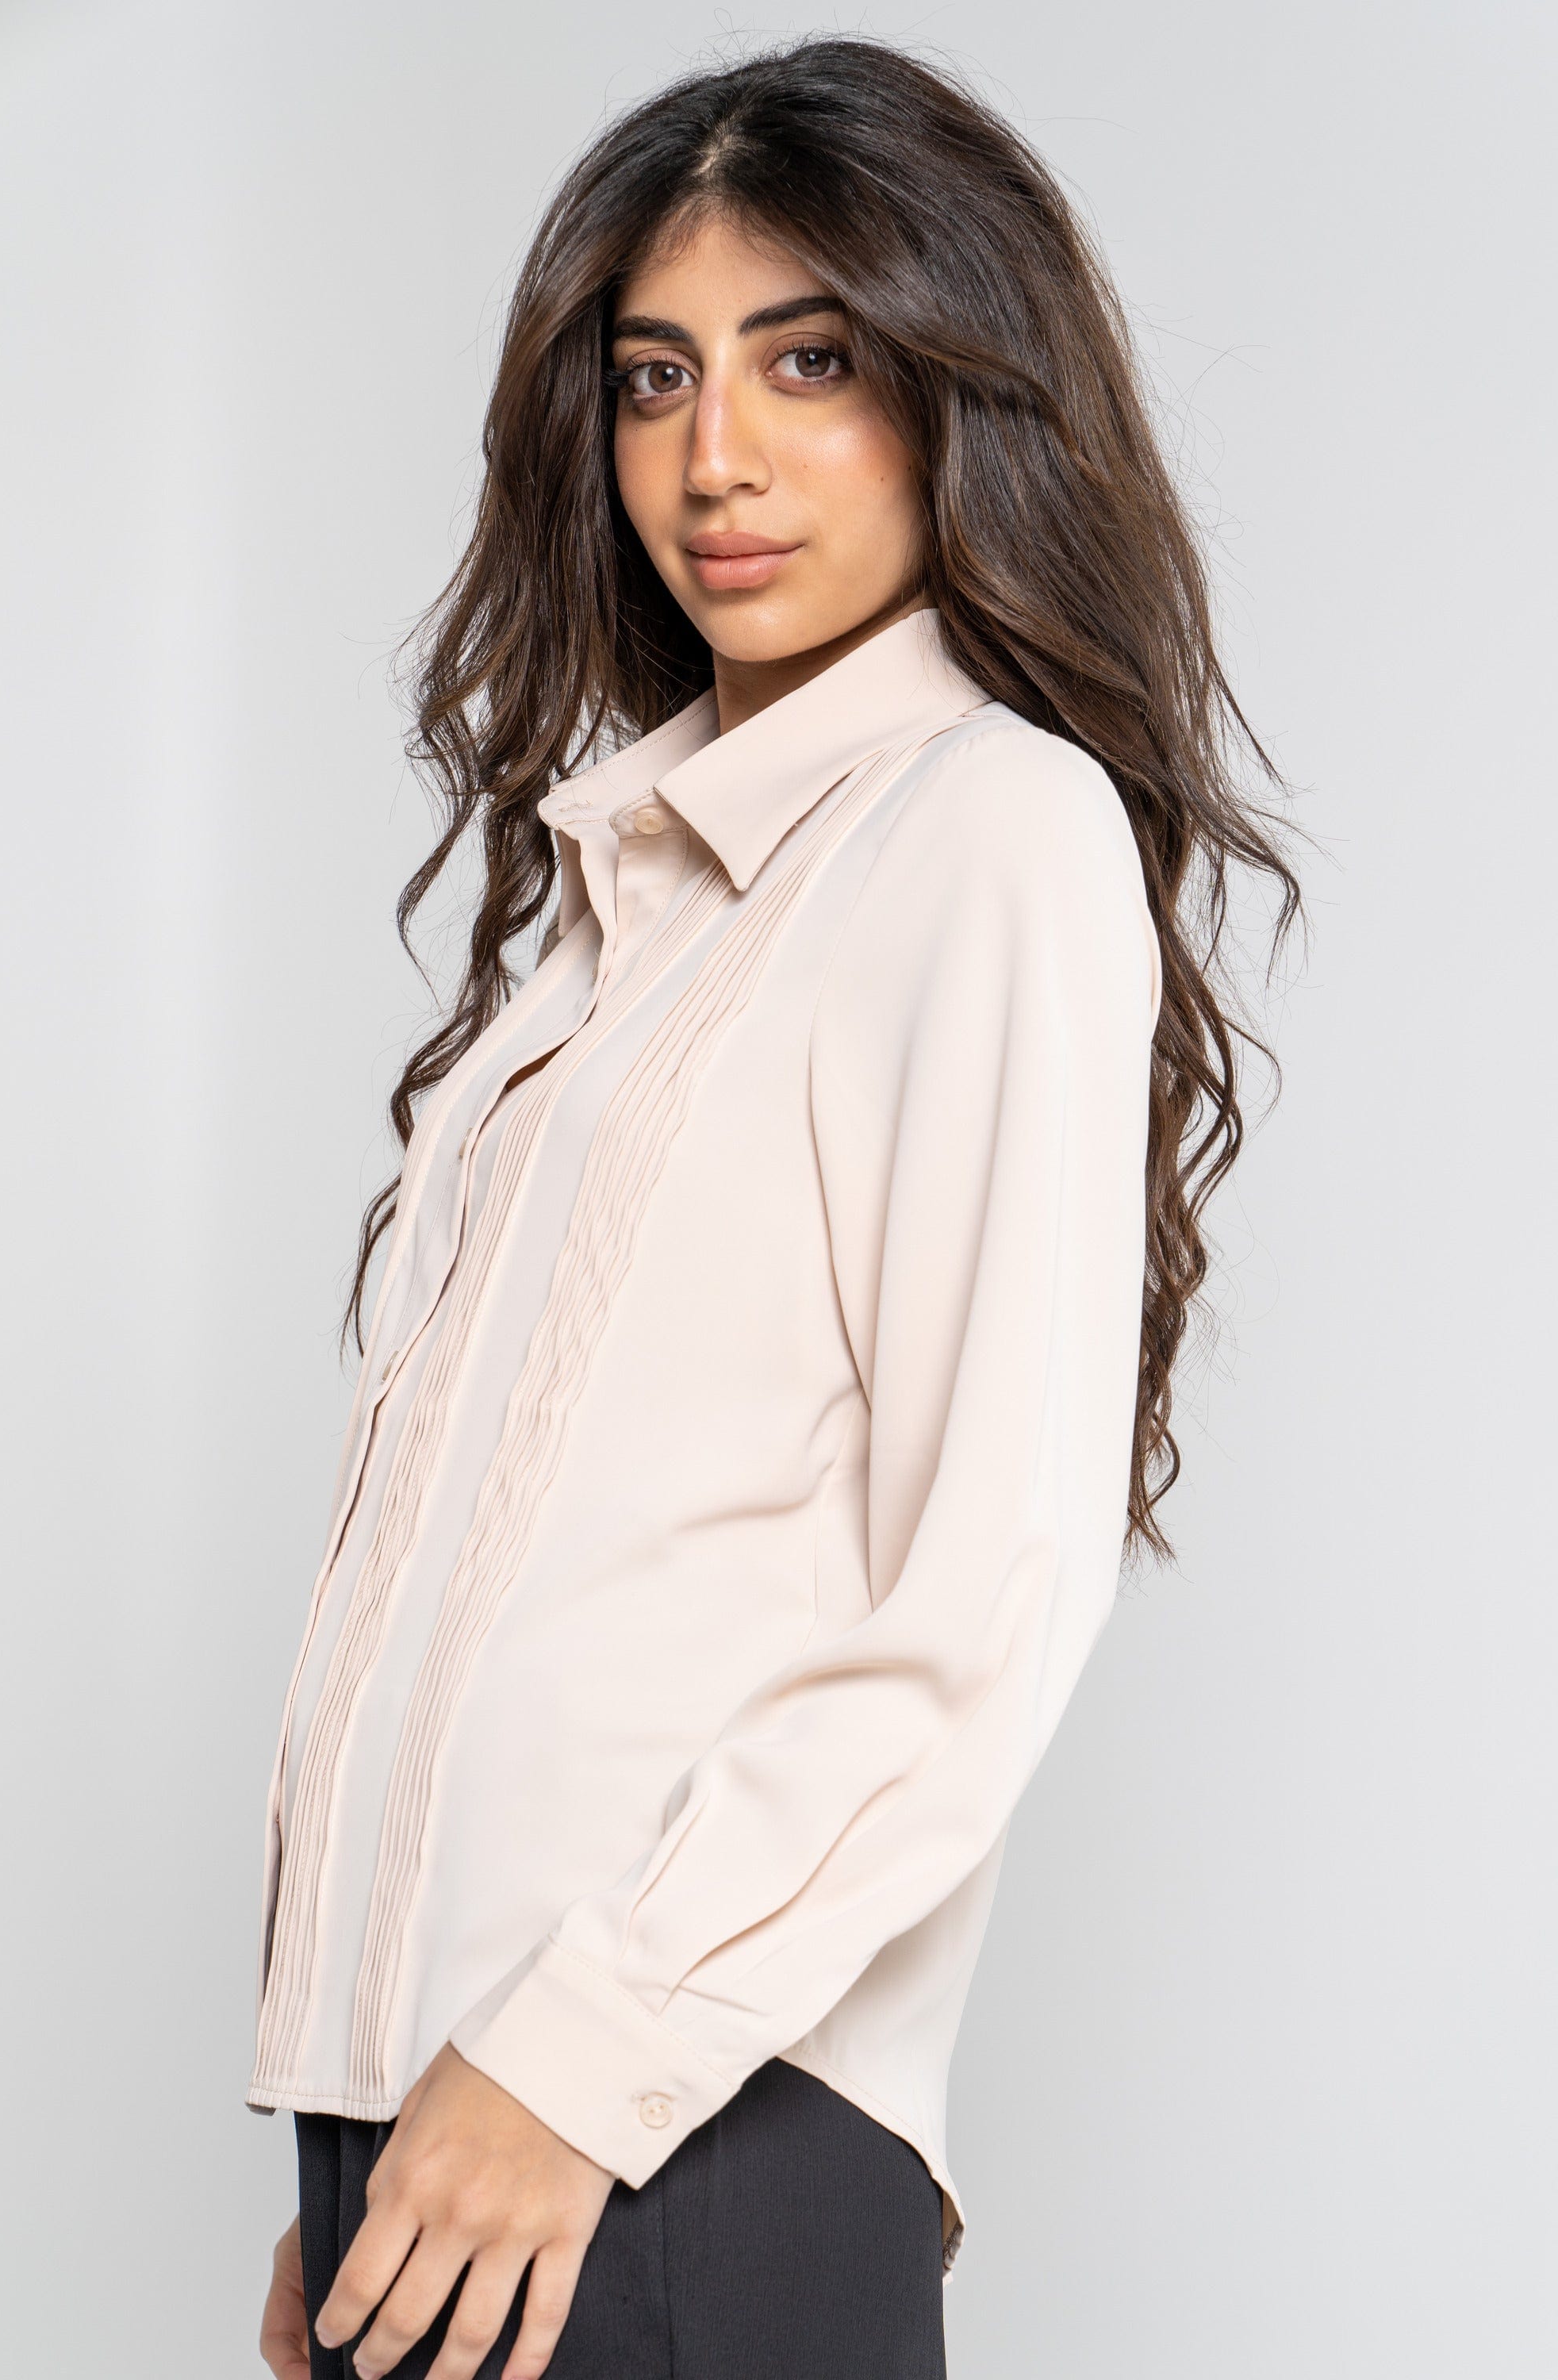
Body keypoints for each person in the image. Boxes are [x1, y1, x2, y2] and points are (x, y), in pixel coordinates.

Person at [254, 35, 1302, 2380]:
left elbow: (984, 1584)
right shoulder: (629, 904)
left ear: (961, 391)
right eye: (656, 378)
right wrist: (373, 2136)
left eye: (808, 361)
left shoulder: (985, 827)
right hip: (456, 2144)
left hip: (669, 2128)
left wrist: (562, 2071)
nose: (711, 456)